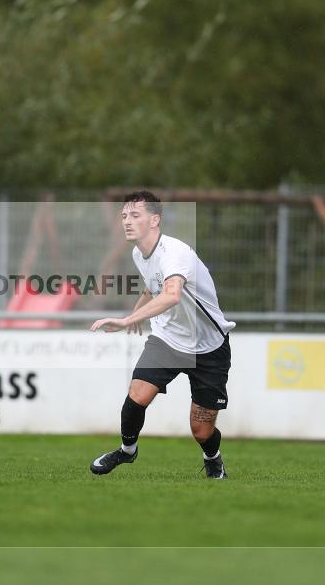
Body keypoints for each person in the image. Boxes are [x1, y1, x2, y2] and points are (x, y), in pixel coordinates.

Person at [89, 191, 235, 479]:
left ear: (155, 220)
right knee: (137, 395)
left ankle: (213, 458)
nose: (127, 222)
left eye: (135, 215)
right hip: (167, 339)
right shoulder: (139, 253)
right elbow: (152, 286)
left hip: (209, 347)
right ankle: (127, 451)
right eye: (123, 216)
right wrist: (137, 311)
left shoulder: (174, 252)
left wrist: (127, 319)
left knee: (200, 429)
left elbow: (171, 295)